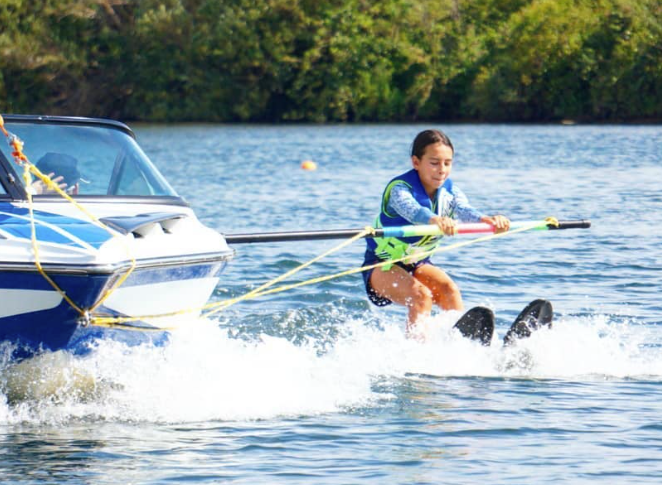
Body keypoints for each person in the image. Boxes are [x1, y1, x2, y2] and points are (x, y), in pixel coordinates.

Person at [363, 129, 510, 333]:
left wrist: (487, 220)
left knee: (449, 290)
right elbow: (412, 210)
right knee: (420, 296)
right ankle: (417, 355)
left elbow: (465, 210)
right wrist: (435, 220)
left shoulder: (450, 192)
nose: (441, 170)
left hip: (417, 262)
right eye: (434, 163)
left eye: (447, 163)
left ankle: (461, 342)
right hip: (382, 265)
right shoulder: (399, 189)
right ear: (416, 162)